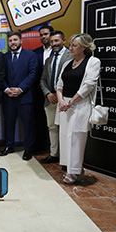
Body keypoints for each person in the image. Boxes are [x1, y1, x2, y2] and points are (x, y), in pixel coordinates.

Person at [55, 33, 100, 184]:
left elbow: (89, 85)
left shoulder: (93, 62)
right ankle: (72, 168)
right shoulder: (67, 63)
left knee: (76, 138)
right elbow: (59, 84)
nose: (71, 48)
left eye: (74, 45)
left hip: (80, 105)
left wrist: (71, 102)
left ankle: (73, 172)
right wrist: (61, 101)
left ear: (85, 47)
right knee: (65, 137)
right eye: (71, 44)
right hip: (64, 106)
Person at [0, 32, 38, 161]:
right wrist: (6, 89)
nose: (13, 42)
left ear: (21, 41)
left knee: (28, 123)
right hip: (8, 96)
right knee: (9, 123)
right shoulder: (3, 57)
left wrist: (20, 89)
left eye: (15, 40)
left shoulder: (31, 55)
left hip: (25, 96)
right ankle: (9, 146)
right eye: (10, 40)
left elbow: (33, 74)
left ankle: (28, 149)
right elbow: (0, 76)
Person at [39, 31, 72, 164]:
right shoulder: (49, 60)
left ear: (64, 40)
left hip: (66, 100)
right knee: (52, 127)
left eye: (56, 41)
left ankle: (66, 159)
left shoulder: (72, 56)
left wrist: (60, 96)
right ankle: (54, 154)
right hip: (50, 99)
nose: (53, 44)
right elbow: (42, 80)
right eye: (52, 42)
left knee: (65, 130)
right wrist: (47, 93)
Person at [32, 25, 54, 152]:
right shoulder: (35, 52)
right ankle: (40, 146)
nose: (43, 37)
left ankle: (54, 149)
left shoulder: (62, 51)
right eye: (41, 35)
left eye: (46, 34)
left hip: (54, 93)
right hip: (38, 92)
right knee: (39, 120)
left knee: (54, 123)